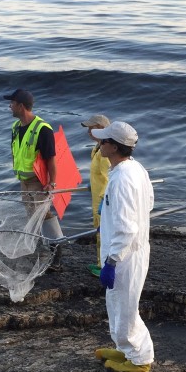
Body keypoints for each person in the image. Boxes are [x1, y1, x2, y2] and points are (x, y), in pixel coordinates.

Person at [90, 121, 154, 372]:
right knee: (118, 304)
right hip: (131, 250)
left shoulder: (121, 178)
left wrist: (112, 261)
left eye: (103, 141)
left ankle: (140, 360)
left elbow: (127, 228)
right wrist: (107, 217)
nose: (99, 144)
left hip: (125, 256)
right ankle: (126, 349)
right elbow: (149, 202)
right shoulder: (135, 169)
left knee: (126, 308)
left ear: (114, 147)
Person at [3, 88, 65, 244]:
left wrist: (52, 183)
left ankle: (56, 246)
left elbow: (51, 158)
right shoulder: (15, 127)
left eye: (12, 103)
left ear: (21, 106)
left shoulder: (42, 129)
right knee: (31, 214)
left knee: (43, 214)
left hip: (38, 182)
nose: (10, 106)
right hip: (23, 181)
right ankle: (39, 245)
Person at [81, 114, 112, 278]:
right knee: (100, 232)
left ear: (100, 128)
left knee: (104, 233)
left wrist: (104, 201)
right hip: (96, 197)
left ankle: (104, 266)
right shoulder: (98, 148)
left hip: (102, 200)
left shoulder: (105, 153)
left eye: (91, 128)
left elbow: (108, 179)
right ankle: (101, 263)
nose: (88, 132)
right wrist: (91, 184)